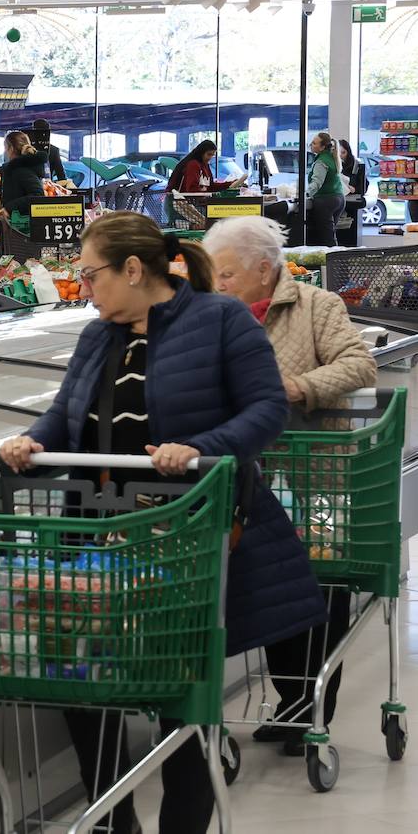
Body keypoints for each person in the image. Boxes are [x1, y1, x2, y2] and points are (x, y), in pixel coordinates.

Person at [0, 211, 326, 834]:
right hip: (95, 539)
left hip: (185, 539)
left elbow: (265, 413)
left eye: (90, 274)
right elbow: (64, 414)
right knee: (82, 685)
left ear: (131, 269)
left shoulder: (219, 319)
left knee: (181, 694)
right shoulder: (98, 335)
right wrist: (28, 442)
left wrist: (200, 448)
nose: (84, 286)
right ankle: (111, 818)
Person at [205, 214, 376, 754]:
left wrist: (298, 387)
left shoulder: (315, 306)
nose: (217, 284)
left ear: (263, 270)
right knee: (269, 583)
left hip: (315, 473)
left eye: (226, 274)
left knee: (322, 583)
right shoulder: (211, 316)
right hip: (250, 480)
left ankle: (311, 706)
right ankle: (291, 700)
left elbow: (359, 364)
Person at [304, 131, 345, 247]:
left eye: (314, 143)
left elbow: (317, 182)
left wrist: (304, 194)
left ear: (322, 147)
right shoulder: (331, 157)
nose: (311, 145)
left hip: (326, 200)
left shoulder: (321, 161)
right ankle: (335, 261)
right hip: (339, 199)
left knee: (327, 240)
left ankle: (332, 263)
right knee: (330, 235)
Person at [0, 130, 47, 220]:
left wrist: (9, 208)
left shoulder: (21, 169)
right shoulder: (19, 167)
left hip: (22, 223)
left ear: (11, 149)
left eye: (5, 148)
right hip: (17, 220)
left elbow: (37, 195)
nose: (5, 152)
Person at [167, 139, 244, 193]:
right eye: (209, 154)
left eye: (212, 155)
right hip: (178, 204)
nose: (210, 158)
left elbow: (211, 186)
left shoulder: (205, 165)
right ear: (201, 152)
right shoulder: (193, 165)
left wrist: (230, 184)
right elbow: (192, 189)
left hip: (189, 204)